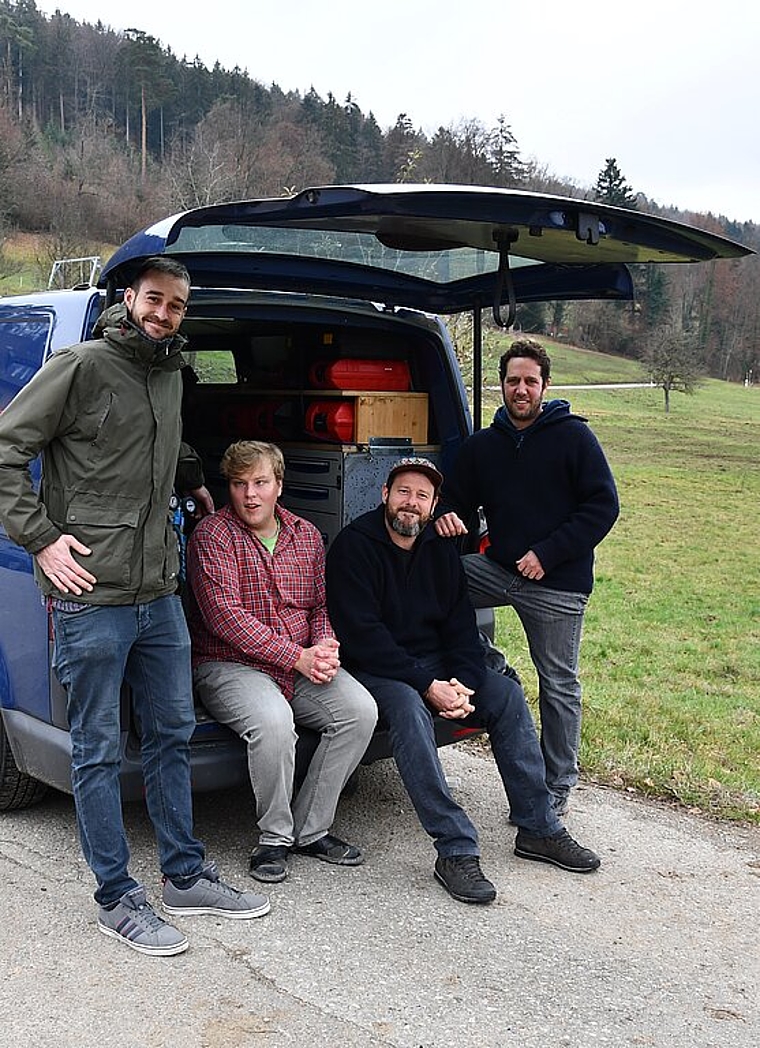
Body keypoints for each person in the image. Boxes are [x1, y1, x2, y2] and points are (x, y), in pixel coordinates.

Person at [0, 257, 269, 957]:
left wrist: (194, 482)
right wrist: (42, 542)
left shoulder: (168, 373)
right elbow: (4, 450)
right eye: (155, 300)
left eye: (177, 306)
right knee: (95, 747)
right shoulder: (80, 366)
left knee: (171, 733)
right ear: (131, 298)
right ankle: (116, 897)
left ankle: (183, 875)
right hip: (92, 595)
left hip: (158, 591)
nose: (163, 314)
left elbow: (162, 442)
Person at [325, 457, 601, 905]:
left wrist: (464, 683)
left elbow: (458, 626)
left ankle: (538, 827)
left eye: (421, 496)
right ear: (384, 496)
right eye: (403, 492)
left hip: (432, 665)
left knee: (507, 694)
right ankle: (454, 848)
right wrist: (427, 685)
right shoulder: (354, 546)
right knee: (409, 711)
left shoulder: (440, 548)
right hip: (376, 667)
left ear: (434, 506)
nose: (410, 504)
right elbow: (362, 636)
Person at [436, 339, 620, 816]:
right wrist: (449, 519)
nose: (521, 389)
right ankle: (490, 664)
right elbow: (455, 498)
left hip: (556, 583)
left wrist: (548, 553)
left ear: (545, 386)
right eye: (513, 381)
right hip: (497, 571)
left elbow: (603, 506)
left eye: (530, 381)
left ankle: (557, 784)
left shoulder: (573, 438)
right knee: (437, 581)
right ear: (502, 384)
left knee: (558, 683)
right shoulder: (483, 445)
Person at [186, 440, 377, 884]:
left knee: (360, 711)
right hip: (228, 663)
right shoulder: (211, 536)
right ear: (228, 488)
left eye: (260, 483)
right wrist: (299, 657)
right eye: (239, 484)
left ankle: (312, 829)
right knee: (273, 723)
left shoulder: (306, 536)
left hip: (300, 660)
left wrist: (325, 647)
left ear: (279, 485)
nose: (250, 495)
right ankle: (274, 838)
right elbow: (224, 618)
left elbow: (319, 607)